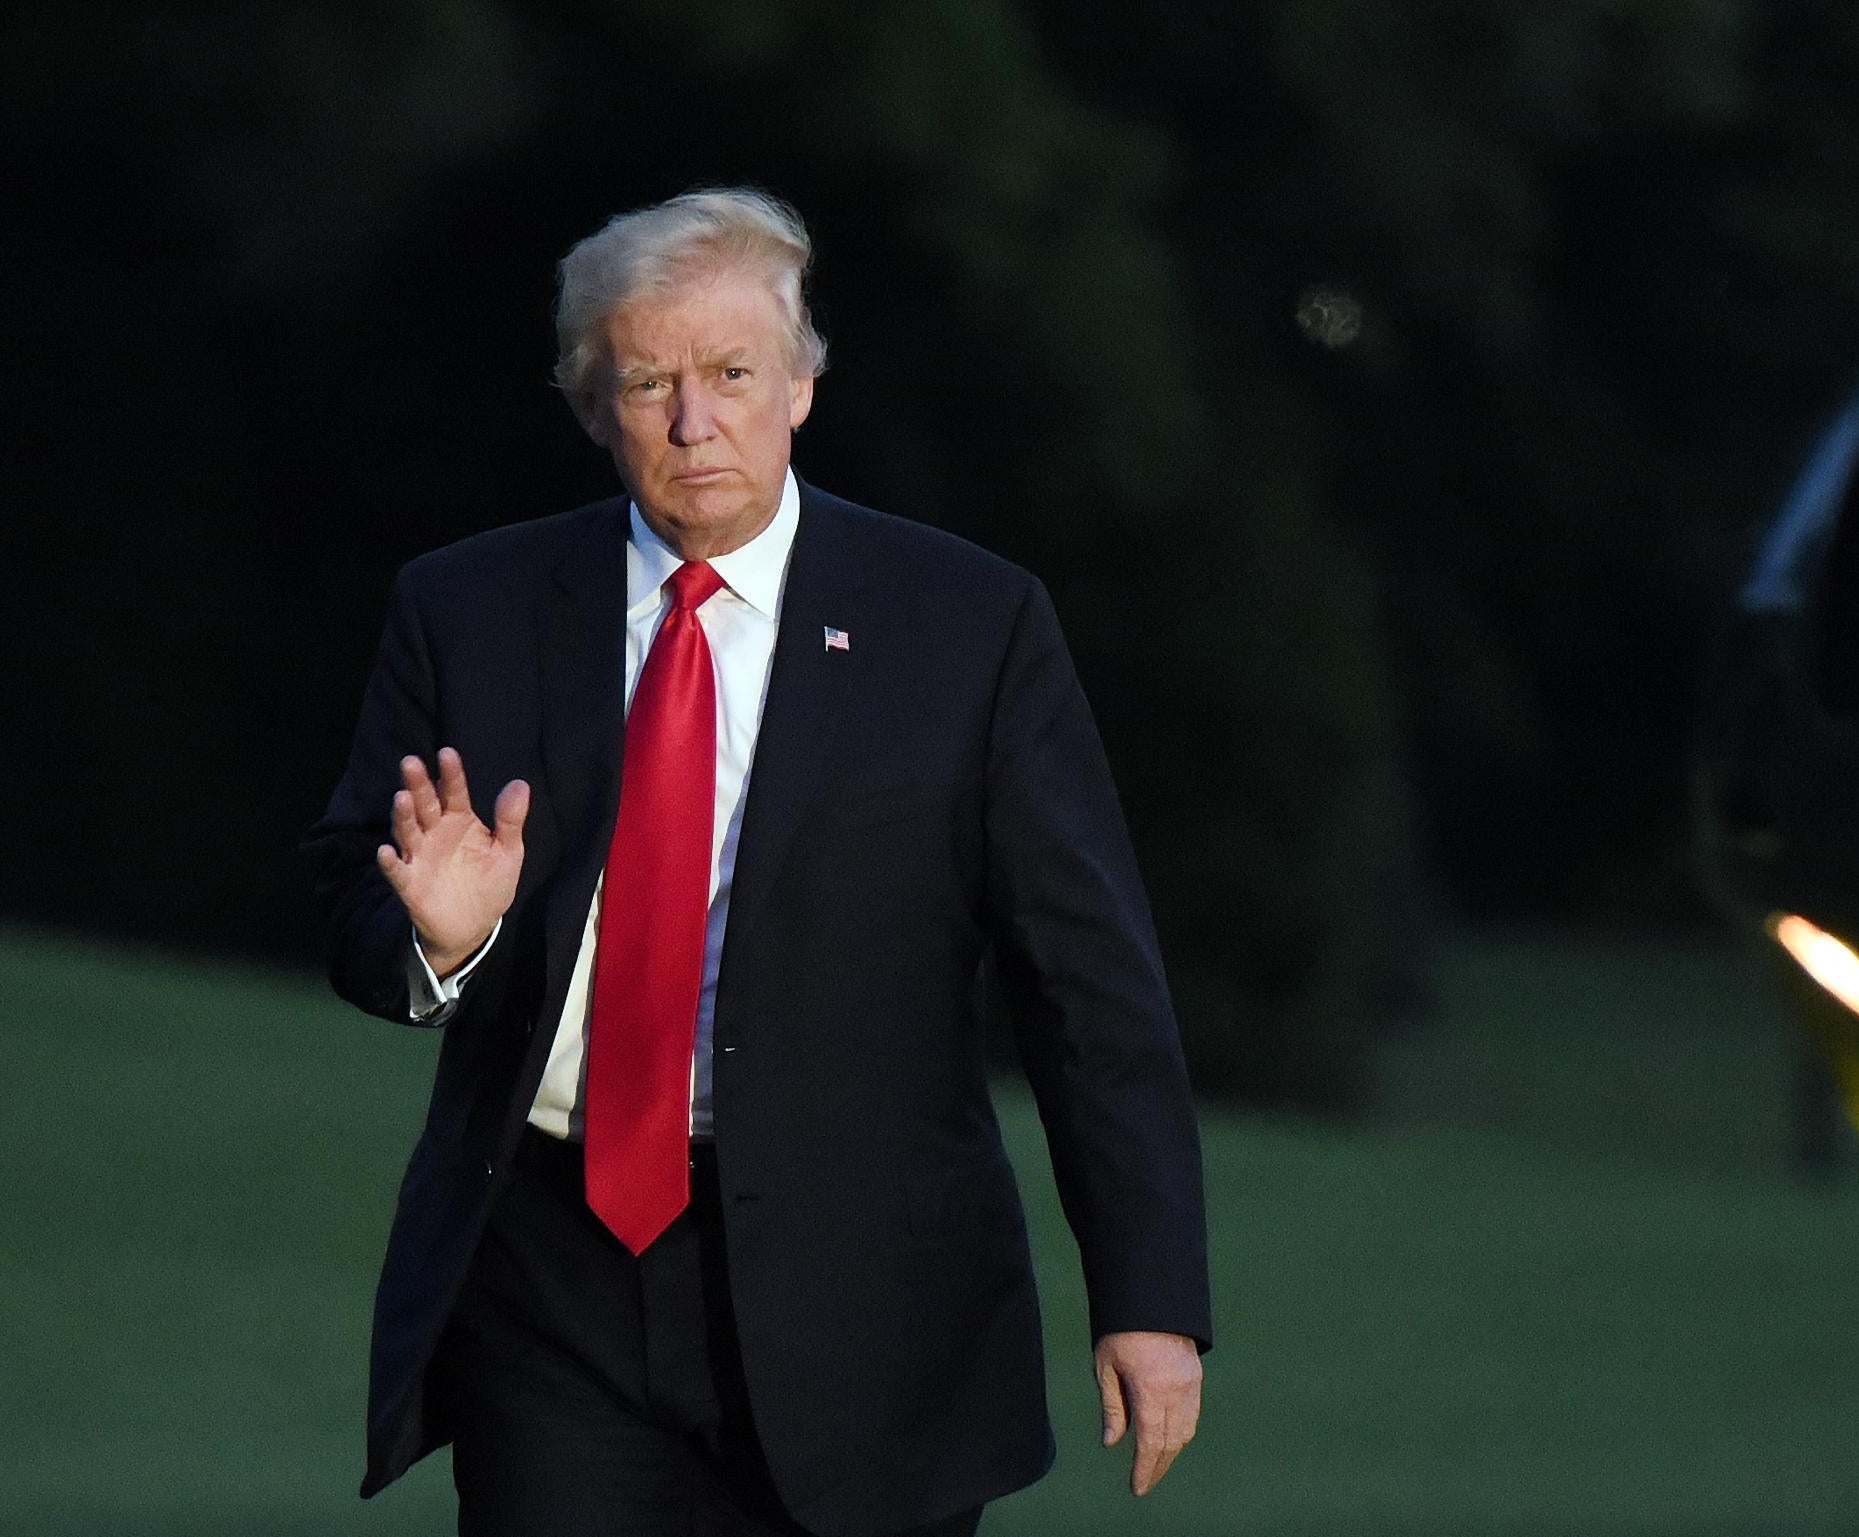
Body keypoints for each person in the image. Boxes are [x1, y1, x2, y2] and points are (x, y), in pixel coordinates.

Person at [305, 186, 1210, 1537]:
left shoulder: (967, 626)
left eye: (731, 373)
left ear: (801, 383)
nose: (693, 419)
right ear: (591, 404)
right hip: (555, 1283)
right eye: (649, 380)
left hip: (872, 1297)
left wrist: (1149, 1297)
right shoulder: (469, 609)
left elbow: (1092, 989)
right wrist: (442, 941)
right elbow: (348, 905)